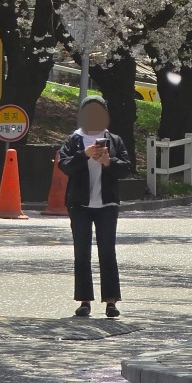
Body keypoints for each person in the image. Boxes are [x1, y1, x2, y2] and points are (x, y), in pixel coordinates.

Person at [58, 95, 134, 318]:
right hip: (79, 204)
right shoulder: (74, 140)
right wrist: (85, 155)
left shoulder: (114, 140)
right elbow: (65, 166)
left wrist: (109, 162)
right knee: (82, 253)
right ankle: (84, 300)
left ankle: (111, 301)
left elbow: (127, 167)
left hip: (107, 203)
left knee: (107, 252)